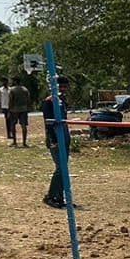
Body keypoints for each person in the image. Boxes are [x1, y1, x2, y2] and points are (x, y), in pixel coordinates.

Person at [42, 74, 74, 208]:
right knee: (61, 168)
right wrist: (53, 138)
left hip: (65, 135)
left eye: (65, 86)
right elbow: (48, 122)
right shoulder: (50, 101)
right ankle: (50, 196)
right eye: (61, 86)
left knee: (63, 168)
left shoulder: (62, 101)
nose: (63, 89)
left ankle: (59, 196)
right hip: (55, 136)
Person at [7, 77, 32, 147]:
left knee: (13, 125)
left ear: (15, 81)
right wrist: (28, 107)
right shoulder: (25, 89)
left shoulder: (12, 90)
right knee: (24, 125)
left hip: (14, 110)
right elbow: (28, 99)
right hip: (24, 109)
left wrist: (9, 110)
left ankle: (14, 142)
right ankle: (24, 142)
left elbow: (10, 101)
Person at [0, 77, 13, 142]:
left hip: (11, 107)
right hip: (4, 107)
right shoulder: (0, 90)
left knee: (11, 120)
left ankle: (11, 132)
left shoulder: (11, 90)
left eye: (5, 81)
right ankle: (9, 133)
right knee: (7, 120)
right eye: (3, 82)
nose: (4, 83)